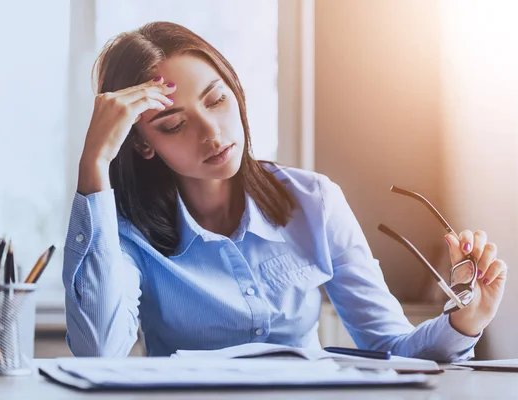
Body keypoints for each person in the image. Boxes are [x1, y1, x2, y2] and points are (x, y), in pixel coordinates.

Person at [63, 21, 507, 360]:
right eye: (174, 125)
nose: (213, 134)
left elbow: (390, 347)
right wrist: (94, 164)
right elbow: (100, 353)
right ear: (142, 145)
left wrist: (465, 320)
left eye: (217, 101)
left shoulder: (315, 202)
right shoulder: (127, 235)